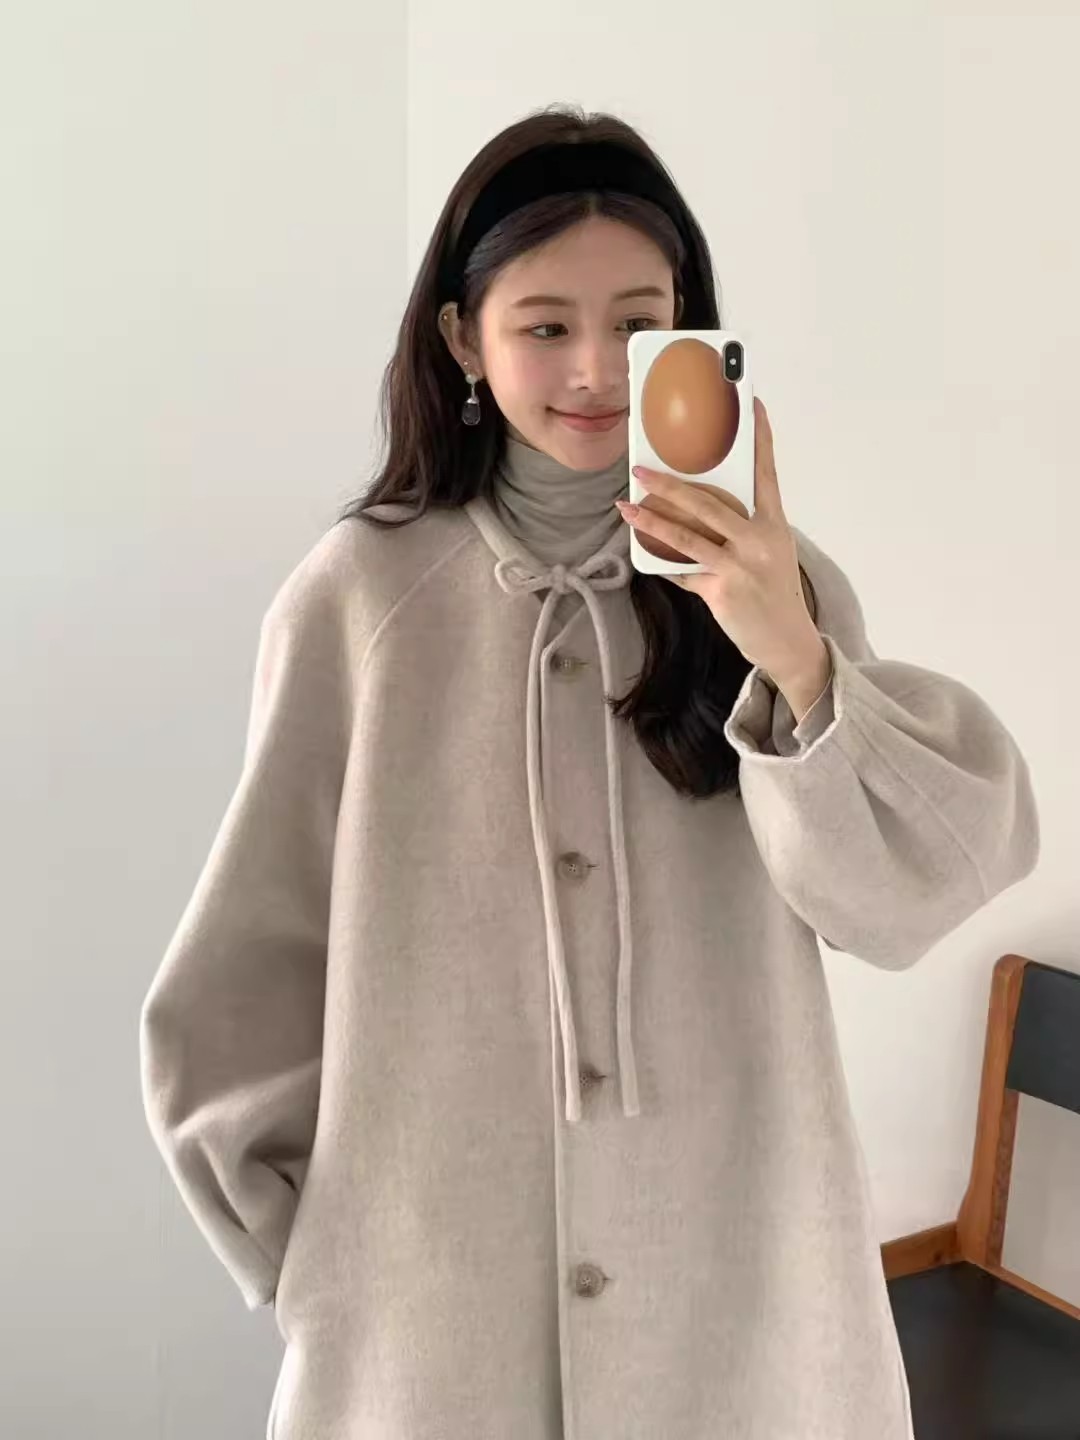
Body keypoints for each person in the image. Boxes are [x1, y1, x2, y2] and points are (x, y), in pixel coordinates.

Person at [139, 105, 1040, 1440]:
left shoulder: (768, 580)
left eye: (637, 320)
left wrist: (794, 656)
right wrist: (323, 1265)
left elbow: (900, 902)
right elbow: (241, 978)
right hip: (436, 1320)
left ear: (689, 327)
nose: (596, 368)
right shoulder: (359, 601)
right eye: (545, 323)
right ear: (462, 338)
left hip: (740, 1297)